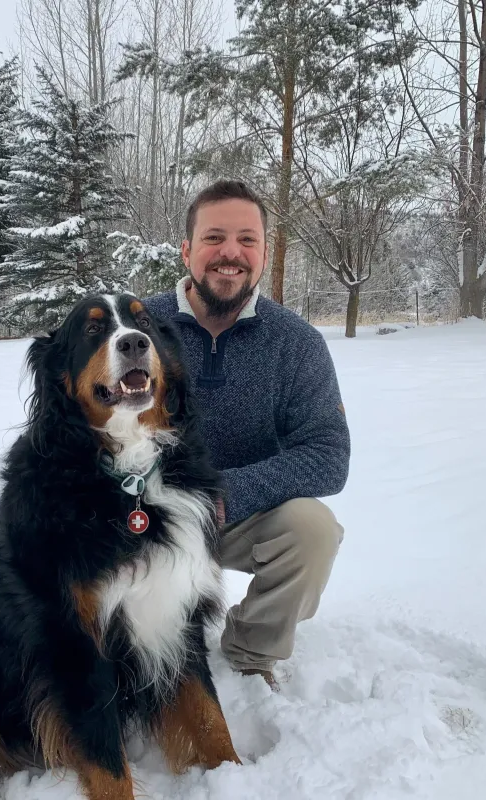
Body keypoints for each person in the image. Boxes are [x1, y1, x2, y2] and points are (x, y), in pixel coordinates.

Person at [144, 180, 350, 689]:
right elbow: (60, 436)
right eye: (214, 237)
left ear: (263, 252)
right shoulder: (138, 327)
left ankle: (250, 653)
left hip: (235, 514)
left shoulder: (296, 343)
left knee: (313, 530)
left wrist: (223, 493)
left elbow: (328, 455)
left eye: (247, 240)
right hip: (141, 511)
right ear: (187, 250)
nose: (230, 253)